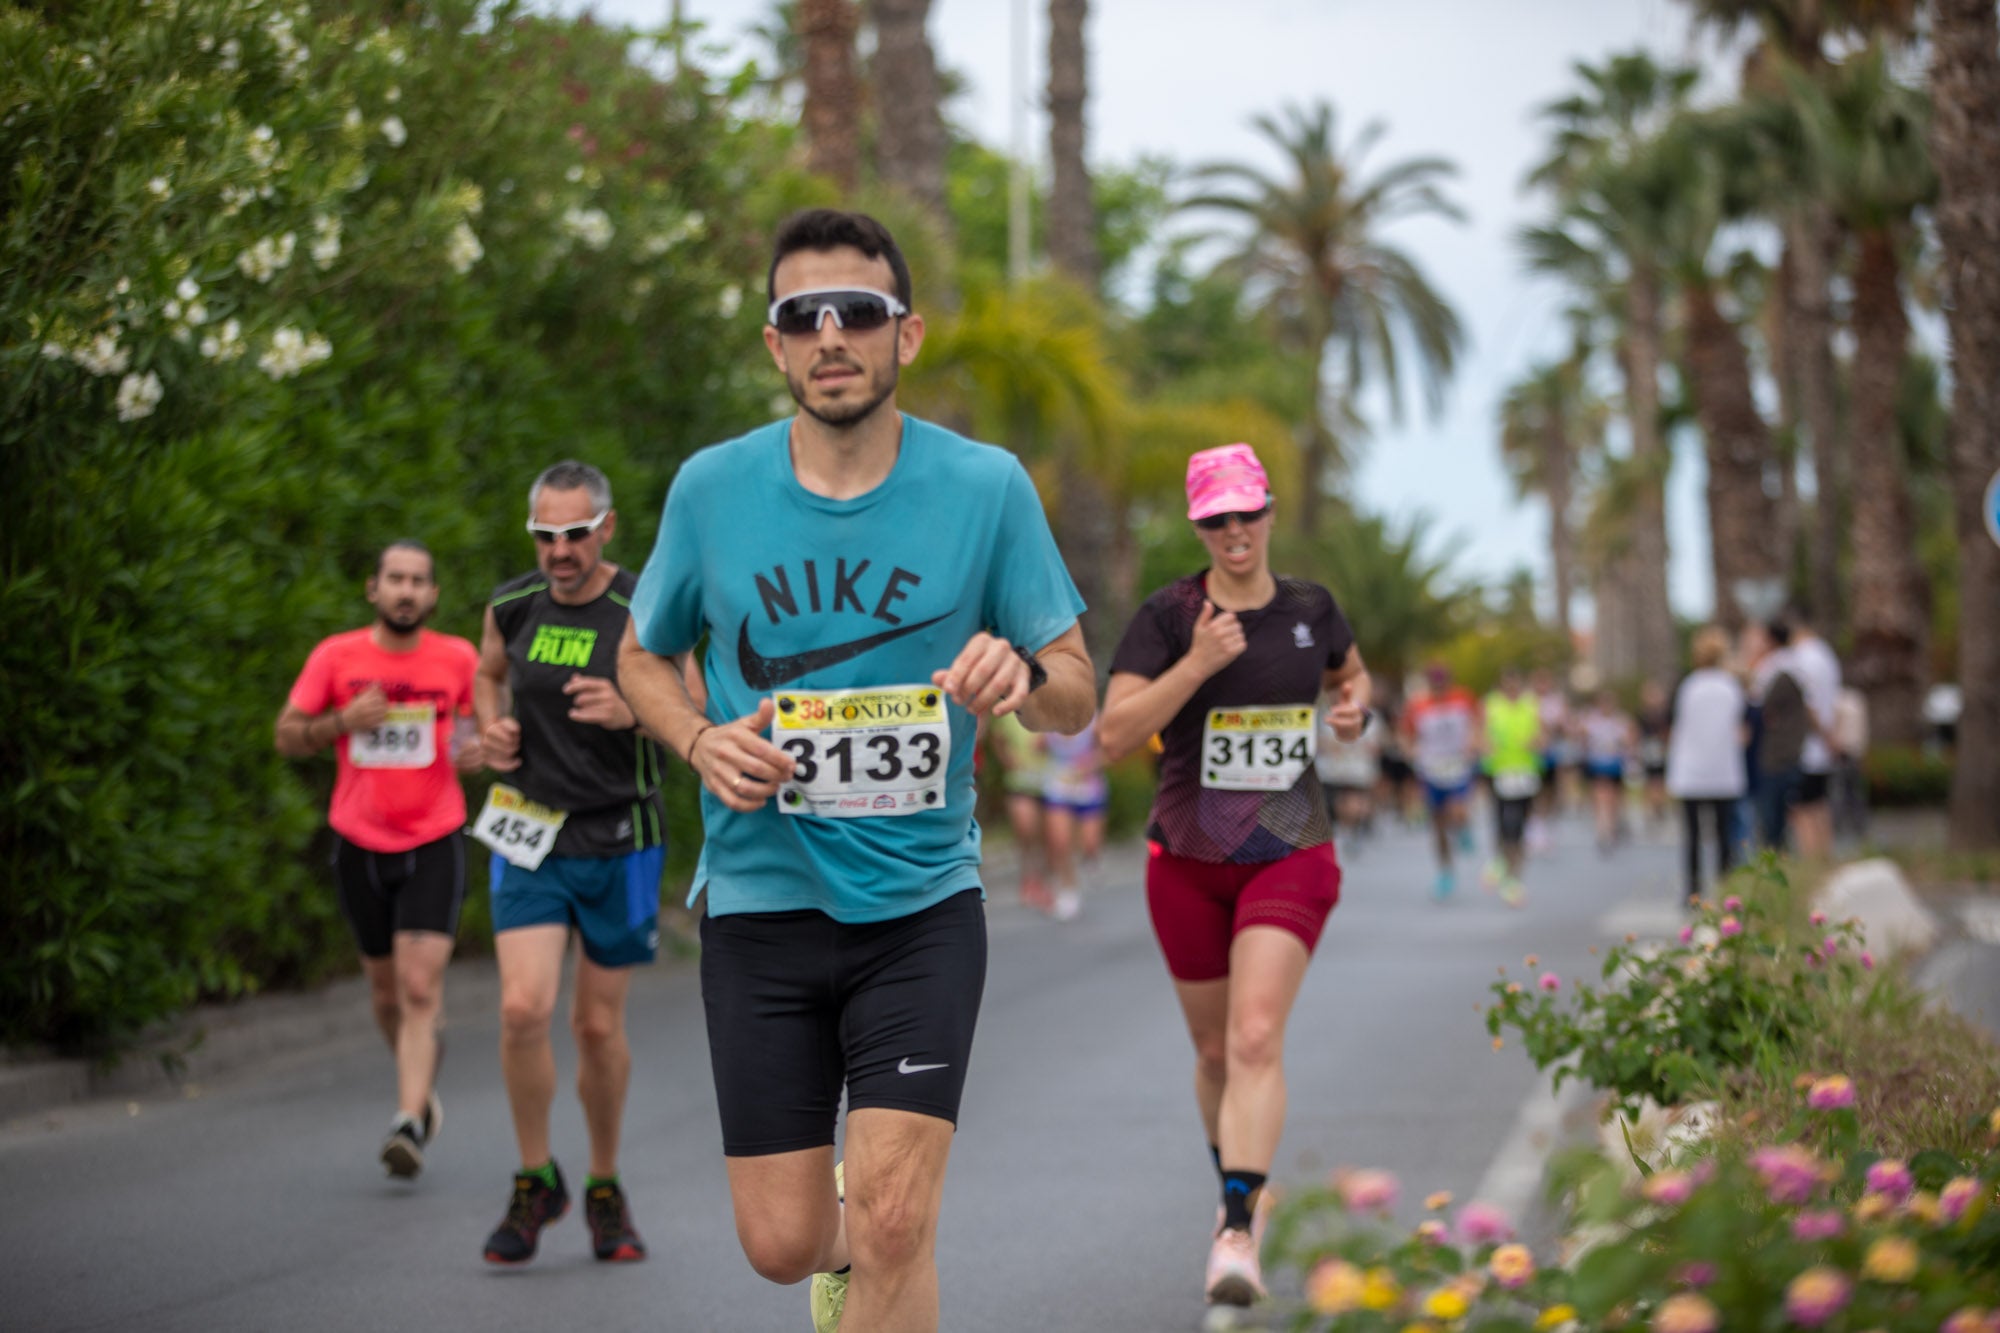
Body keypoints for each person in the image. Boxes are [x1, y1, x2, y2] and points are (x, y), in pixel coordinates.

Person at [615, 208, 1096, 1333]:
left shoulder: (985, 489)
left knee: (891, 1221)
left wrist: (1022, 671)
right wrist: (694, 734)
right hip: (759, 904)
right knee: (783, 1243)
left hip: (921, 908)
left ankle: (877, 1243)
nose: (831, 334)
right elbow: (642, 655)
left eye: (859, 313)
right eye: (802, 315)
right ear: (773, 344)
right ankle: (843, 1247)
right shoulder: (709, 489)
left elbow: (1081, 687)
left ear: (906, 335)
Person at [1097, 441, 1370, 1309]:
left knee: (1255, 1037)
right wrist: (1199, 664)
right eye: (1216, 518)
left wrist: (1357, 707)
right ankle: (1235, 1190)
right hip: (1186, 858)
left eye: (1246, 512)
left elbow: (1351, 676)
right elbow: (1110, 734)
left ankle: (1237, 1227)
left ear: (1270, 510)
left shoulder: (1310, 608)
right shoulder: (1170, 616)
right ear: (1198, 524)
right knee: (1213, 1048)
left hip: (1290, 844)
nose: (1234, 530)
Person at [473, 460, 664, 1268]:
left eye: (576, 533)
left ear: (606, 528)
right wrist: (491, 729)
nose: (561, 550)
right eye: (546, 535)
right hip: (530, 827)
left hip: (619, 833)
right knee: (522, 1009)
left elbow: (698, 701)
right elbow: (487, 674)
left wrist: (635, 709)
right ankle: (533, 1176)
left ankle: (604, 1183)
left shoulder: (643, 608)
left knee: (594, 1025)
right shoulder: (512, 607)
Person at [274, 540, 482, 1180]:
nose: (407, 591)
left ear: (433, 595)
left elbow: (475, 729)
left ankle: (406, 1121)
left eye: (419, 581)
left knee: (420, 988)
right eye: (396, 579)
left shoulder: (458, 657)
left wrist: (475, 751)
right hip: (360, 840)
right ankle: (419, 1092)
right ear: (374, 588)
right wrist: (342, 721)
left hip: (434, 837)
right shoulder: (337, 656)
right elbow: (286, 735)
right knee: (385, 990)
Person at [1666, 627, 1747, 906]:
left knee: (1693, 836)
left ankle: (1693, 891)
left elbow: (1677, 726)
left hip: (1691, 771)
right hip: (1723, 770)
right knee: (1724, 836)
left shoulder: (1689, 686)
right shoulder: (1731, 687)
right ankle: (1727, 892)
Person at [1402, 663, 1480, 900]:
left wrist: (1474, 742)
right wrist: (1410, 751)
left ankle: (1464, 827)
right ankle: (1445, 872)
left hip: (1458, 767)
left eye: (1443, 682)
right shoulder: (1418, 706)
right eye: (1435, 683)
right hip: (1431, 769)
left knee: (1457, 812)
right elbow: (1406, 734)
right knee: (1438, 827)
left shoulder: (1463, 698)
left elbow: (1478, 724)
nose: (1439, 688)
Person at [1783, 610, 1843, 859]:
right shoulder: (1826, 655)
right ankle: (1824, 858)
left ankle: (1811, 862)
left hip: (1808, 747)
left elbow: (1809, 705)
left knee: (1802, 810)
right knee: (1820, 806)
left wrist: (1824, 735)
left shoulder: (1801, 659)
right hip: (1823, 747)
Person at [1479, 668, 1540, 907]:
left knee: (1521, 825)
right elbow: (1478, 733)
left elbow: (1542, 734)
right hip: (1499, 772)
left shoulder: (1531, 704)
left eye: (1516, 686)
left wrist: (1537, 741)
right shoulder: (1491, 705)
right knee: (1504, 822)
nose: (1512, 690)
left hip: (1526, 772)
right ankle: (1506, 869)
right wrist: (1484, 745)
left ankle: (1514, 873)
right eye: (1508, 686)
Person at [1041, 718, 1109, 921]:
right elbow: (1037, 748)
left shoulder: (1094, 722)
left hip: (1089, 790)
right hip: (1059, 789)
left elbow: (1109, 751)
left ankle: (1090, 859)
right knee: (1060, 843)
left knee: (1090, 844)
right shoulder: (1047, 721)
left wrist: (1089, 764)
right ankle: (1068, 890)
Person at [987, 711, 1053, 911]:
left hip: (1047, 781)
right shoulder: (1008, 711)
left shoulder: (1048, 708)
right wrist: (1008, 760)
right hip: (1020, 781)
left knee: (1045, 836)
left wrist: (1050, 743)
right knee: (1025, 830)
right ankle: (1028, 879)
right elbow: (997, 739)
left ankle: (1042, 881)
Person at [1316, 700, 1382, 846]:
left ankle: (1354, 828)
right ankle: (1347, 829)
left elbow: (1374, 745)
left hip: (1359, 770)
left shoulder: (1369, 716)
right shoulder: (1330, 715)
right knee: (1344, 802)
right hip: (1337, 770)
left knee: (1356, 803)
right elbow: (1324, 743)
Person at [1579, 689, 1634, 853]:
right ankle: (1604, 831)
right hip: (1597, 765)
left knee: (1613, 800)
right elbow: (1581, 737)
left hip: (1615, 765)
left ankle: (1612, 826)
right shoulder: (1591, 721)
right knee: (1601, 798)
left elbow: (1630, 740)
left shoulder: (1620, 721)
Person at [1636, 680, 1672, 831]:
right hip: (1648, 750)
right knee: (1649, 782)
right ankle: (1650, 811)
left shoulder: (1666, 714)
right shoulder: (1643, 714)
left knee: (1659, 781)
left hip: (1661, 750)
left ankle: (1659, 807)